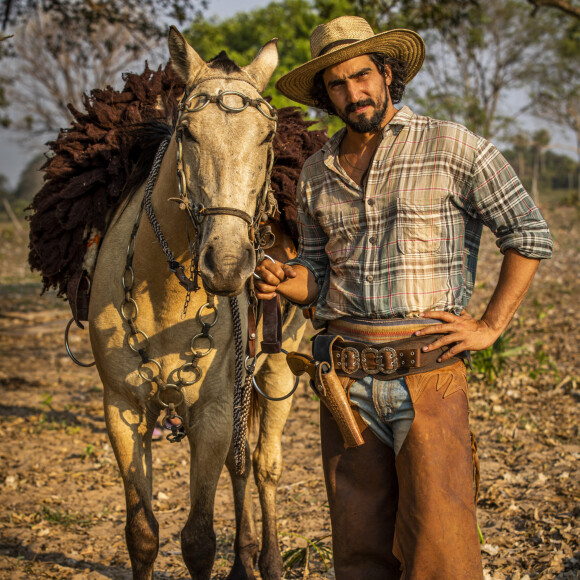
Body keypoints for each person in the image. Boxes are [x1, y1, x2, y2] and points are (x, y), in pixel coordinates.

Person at [254, 15, 553, 580]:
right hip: (344, 379)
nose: (353, 92)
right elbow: (317, 271)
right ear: (325, 95)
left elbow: (528, 233)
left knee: (440, 547)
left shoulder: (450, 145)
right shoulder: (317, 172)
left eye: (362, 76)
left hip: (428, 372)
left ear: (388, 74)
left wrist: (490, 326)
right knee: (359, 546)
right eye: (337, 84)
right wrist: (283, 278)